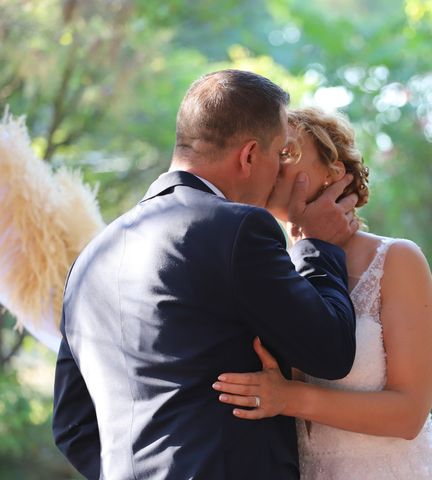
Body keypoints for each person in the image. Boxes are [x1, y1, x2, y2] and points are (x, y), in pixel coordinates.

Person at [52, 70, 360, 480]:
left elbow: (71, 426)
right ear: (249, 156)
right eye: (280, 155)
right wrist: (317, 245)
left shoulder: (90, 259)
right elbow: (330, 351)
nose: (278, 173)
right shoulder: (238, 230)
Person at [213, 107, 432, 479]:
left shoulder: (396, 259)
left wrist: (287, 398)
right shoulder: (269, 268)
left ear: (334, 171)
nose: (276, 163)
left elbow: (409, 414)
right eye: (272, 152)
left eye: (290, 153)